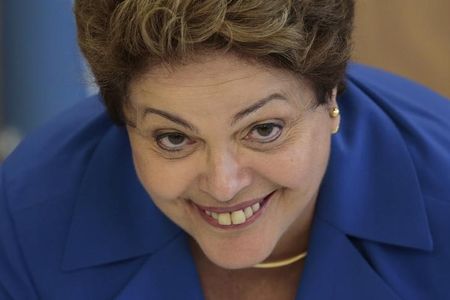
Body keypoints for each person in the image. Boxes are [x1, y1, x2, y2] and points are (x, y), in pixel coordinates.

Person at [1, 0, 449, 299]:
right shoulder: (23, 221)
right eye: (173, 138)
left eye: (265, 129)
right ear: (122, 121)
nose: (223, 185)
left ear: (332, 97)